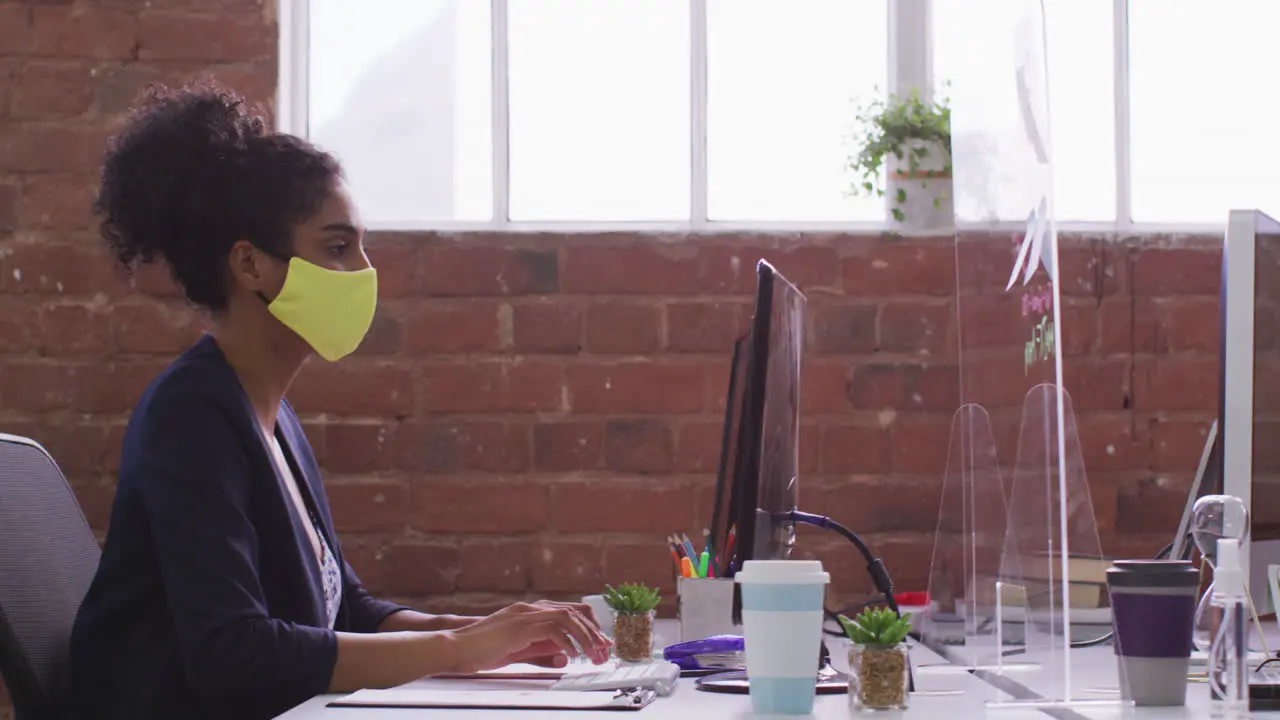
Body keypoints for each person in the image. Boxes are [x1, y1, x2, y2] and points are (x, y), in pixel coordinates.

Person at [68, 81, 612, 720]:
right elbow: (232, 655)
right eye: (336, 247)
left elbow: (342, 609)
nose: (363, 270)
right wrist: (455, 649)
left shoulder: (268, 417)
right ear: (251, 266)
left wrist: (491, 634)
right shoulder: (190, 418)